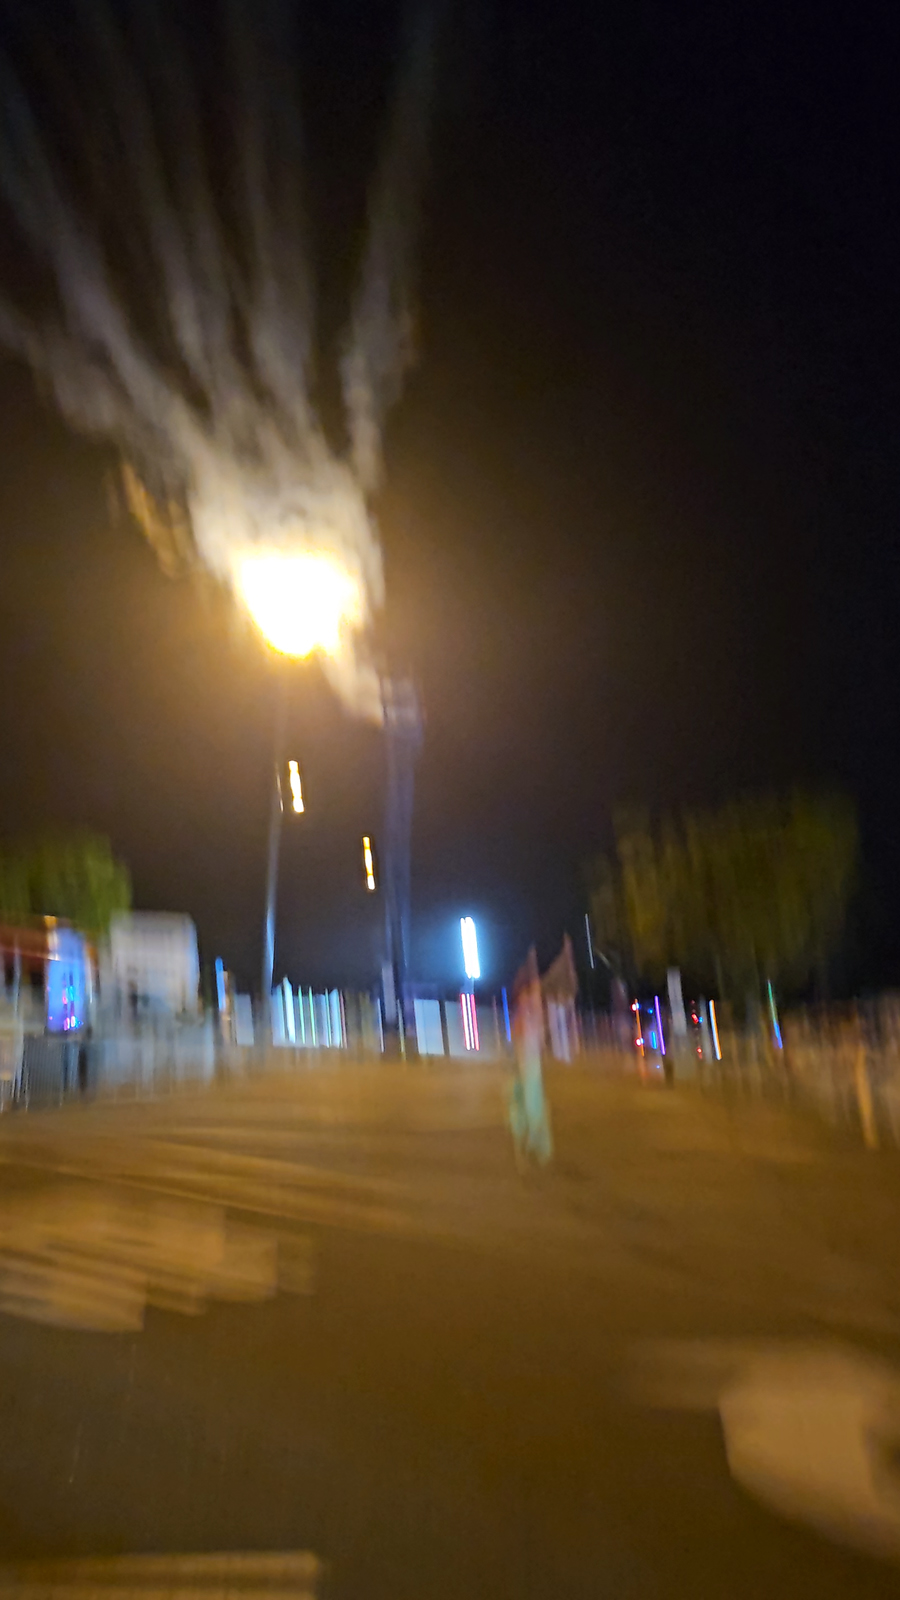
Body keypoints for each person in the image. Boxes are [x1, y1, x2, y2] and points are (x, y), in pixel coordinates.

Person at [509, 949, 553, 1169]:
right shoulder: (527, 1011)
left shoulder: (527, 1010)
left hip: (528, 1062)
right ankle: (534, 1148)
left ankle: (533, 1147)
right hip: (527, 1063)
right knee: (531, 1104)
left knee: (530, 1104)